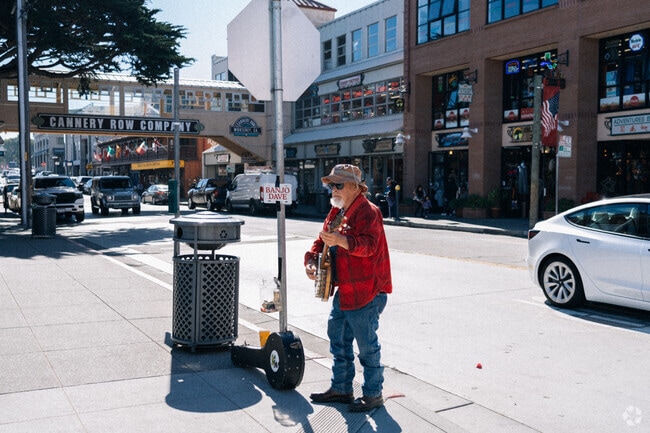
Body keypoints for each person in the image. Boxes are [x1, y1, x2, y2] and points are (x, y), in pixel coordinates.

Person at [305, 164, 392, 412]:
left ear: (355, 186)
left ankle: (373, 394)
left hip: (367, 290)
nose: (333, 189)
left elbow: (370, 246)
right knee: (338, 341)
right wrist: (311, 260)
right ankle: (342, 388)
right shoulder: (336, 211)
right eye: (331, 185)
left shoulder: (369, 211)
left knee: (367, 347)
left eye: (338, 185)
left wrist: (342, 241)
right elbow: (320, 241)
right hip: (346, 289)